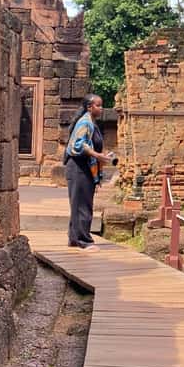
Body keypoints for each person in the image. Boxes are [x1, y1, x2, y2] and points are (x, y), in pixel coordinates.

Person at [64, 94, 114, 252]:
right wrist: (97, 155)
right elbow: (79, 145)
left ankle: (74, 238)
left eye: (101, 105)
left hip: (83, 167)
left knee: (80, 203)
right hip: (78, 167)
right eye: (98, 105)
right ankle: (84, 240)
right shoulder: (85, 122)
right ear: (89, 107)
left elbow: (90, 144)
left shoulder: (91, 123)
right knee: (82, 205)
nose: (101, 108)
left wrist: (101, 156)